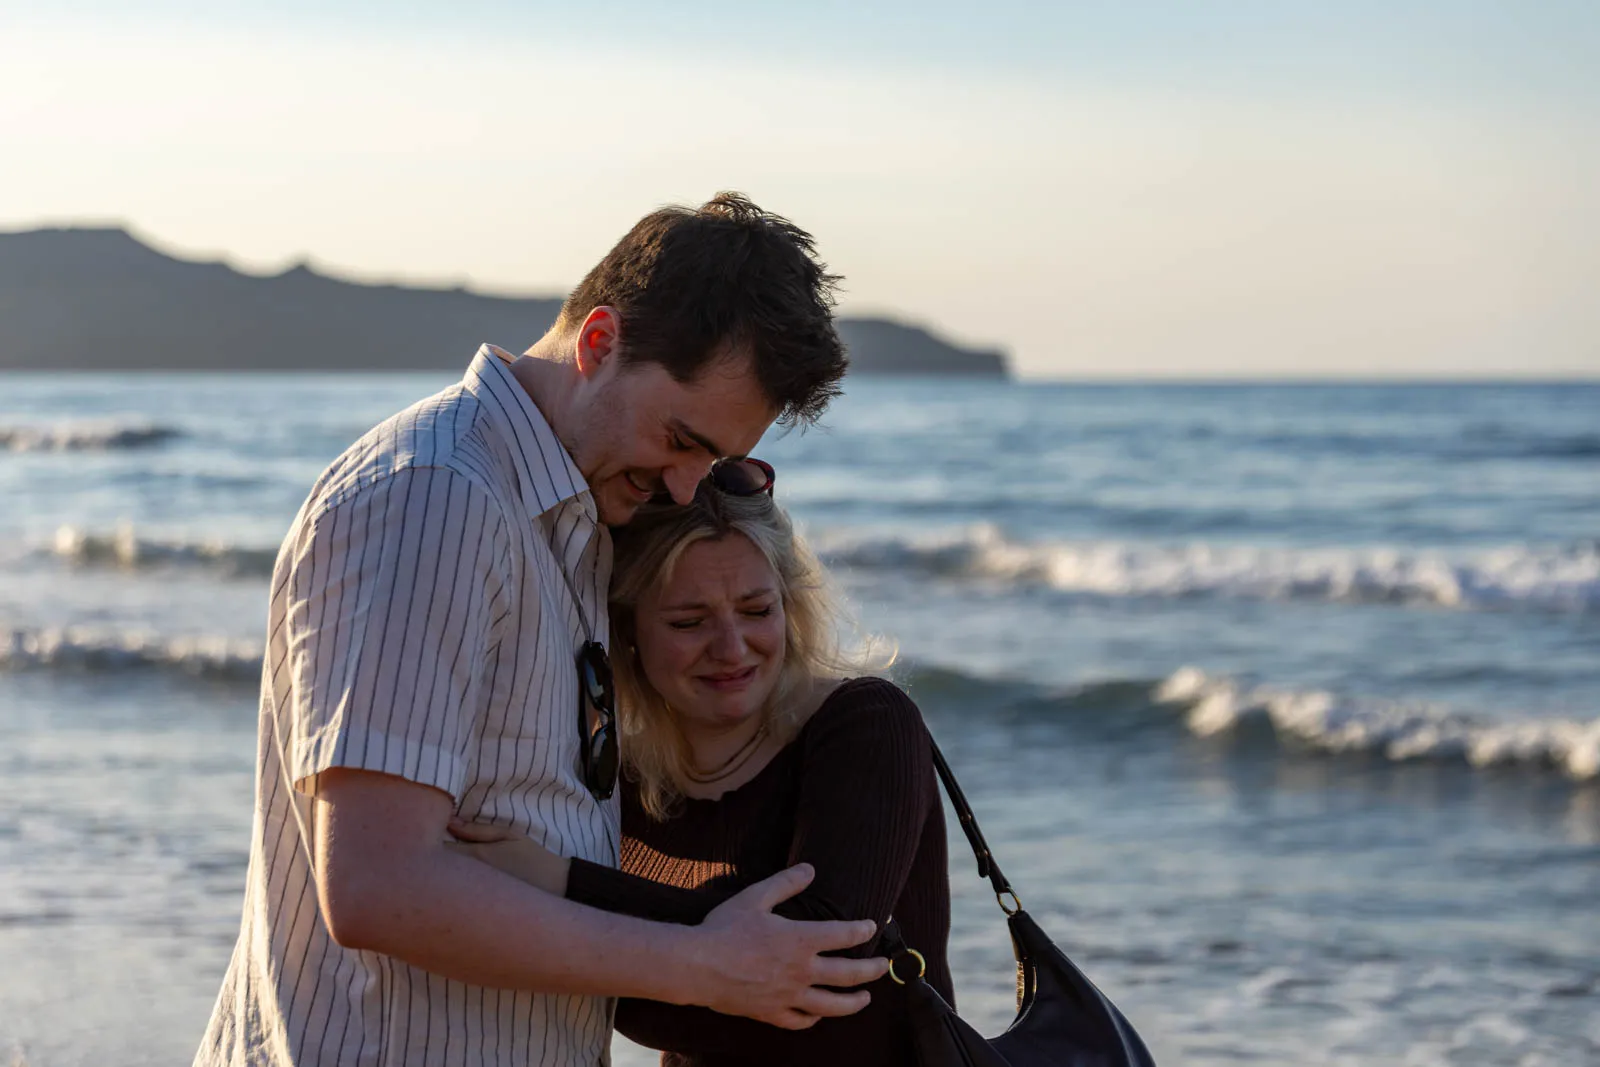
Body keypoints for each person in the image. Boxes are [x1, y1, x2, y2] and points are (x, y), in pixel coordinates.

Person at [195, 194, 890, 1067]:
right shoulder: (436, 498)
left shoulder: (568, 523)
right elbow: (377, 884)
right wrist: (702, 966)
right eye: (679, 439)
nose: (685, 488)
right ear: (598, 343)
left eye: (712, 460)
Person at [448, 459, 953, 1066]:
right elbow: (635, 997)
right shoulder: (614, 774)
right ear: (626, 631)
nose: (732, 648)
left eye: (757, 610)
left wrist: (557, 886)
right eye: (689, 622)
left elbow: (818, 971)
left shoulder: (866, 724)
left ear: (790, 606)